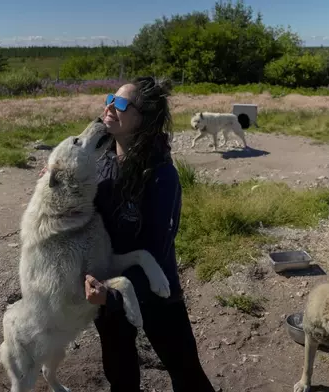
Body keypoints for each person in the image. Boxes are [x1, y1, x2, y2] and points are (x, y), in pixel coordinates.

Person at [82, 77, 215, 392]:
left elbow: (157, 250)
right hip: (108, 283)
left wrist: (114, 296)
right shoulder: (98, 157)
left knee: (187, 373)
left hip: (156, 289)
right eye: (110, 98)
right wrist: (56, 177)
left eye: (123, 103)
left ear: (143, 119)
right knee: (120, 376)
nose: (111, 106)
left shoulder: (161, 175)